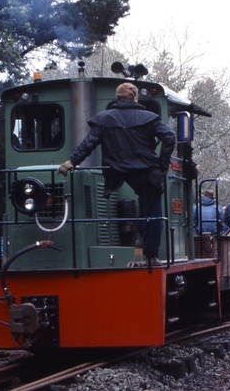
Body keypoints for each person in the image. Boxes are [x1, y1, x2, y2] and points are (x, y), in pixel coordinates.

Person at [57, 82, 176, 266]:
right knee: (153, 210)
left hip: (120, 172)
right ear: (135, 97)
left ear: (118, 98)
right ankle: (151, 255)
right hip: (147, 171)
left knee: (144, 203)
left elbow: (88, 143)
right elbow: (169, 136)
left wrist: (72, 161)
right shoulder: (149, 118)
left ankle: (142, 238)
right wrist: (163, 163)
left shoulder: (105, 119)